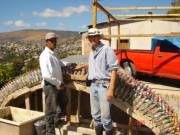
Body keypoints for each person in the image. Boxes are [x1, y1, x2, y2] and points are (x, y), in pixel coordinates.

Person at [87, 28, 119, 135]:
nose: (92, 39)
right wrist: (82, 66)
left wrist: (111, 89)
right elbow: (95, 67)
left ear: (98, 37)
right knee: (95, 115)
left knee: (105, 117)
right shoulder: (92, 50)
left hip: (104, 86)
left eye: (94, 36)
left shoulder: (107, 49)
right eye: (90, 37)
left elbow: (114, 69)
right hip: (93, 85)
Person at [39, 32, 71, 135]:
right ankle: (50, 132)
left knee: (64, 101)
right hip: (50, 86)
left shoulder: (53, 54)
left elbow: (61, 63)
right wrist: (58, 83)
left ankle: (56, 121)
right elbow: (46, 75)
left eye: (55, 40)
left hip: (57, 85)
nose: (54, 43)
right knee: (50, 111)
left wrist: (71, 64)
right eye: (52, 41)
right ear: (47, 42)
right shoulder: (44, 56)